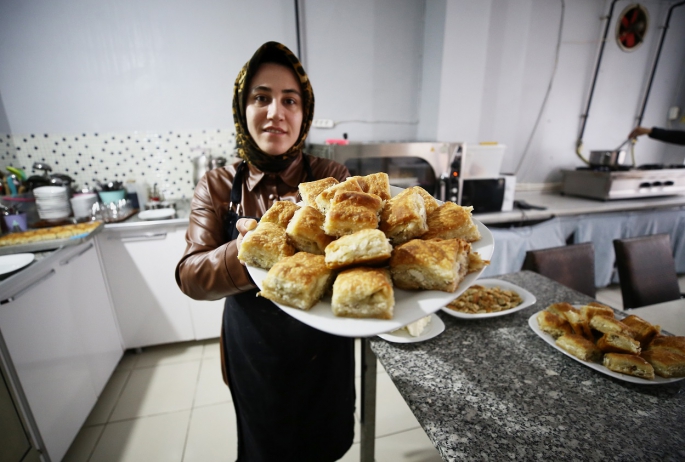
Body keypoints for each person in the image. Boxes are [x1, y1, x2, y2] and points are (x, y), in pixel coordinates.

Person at [175, 42, 355, 462]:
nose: (276, 111)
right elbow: (189, 275)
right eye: (261, 97)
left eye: (289, 100)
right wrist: (244, 251)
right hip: (255, 350)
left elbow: (354, 256)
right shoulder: (217, 185)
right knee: (265, 447)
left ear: (303, 113)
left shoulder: (331, 177)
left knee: (324, 442)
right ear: (243, 107)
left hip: (323, 347)